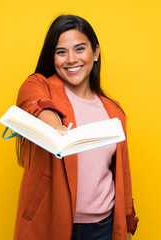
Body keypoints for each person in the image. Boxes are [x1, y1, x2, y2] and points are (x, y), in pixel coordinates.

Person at [13, 14, 138, 240]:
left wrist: (127, 225)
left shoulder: (114, 112)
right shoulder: (39, 85)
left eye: (80, 49)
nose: (71, 59)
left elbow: (122, 174)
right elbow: (35, 104)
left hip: (104, 228)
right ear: (53, 57)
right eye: (61, 52)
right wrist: (56, 129)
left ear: (95, 53)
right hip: (52, 224)